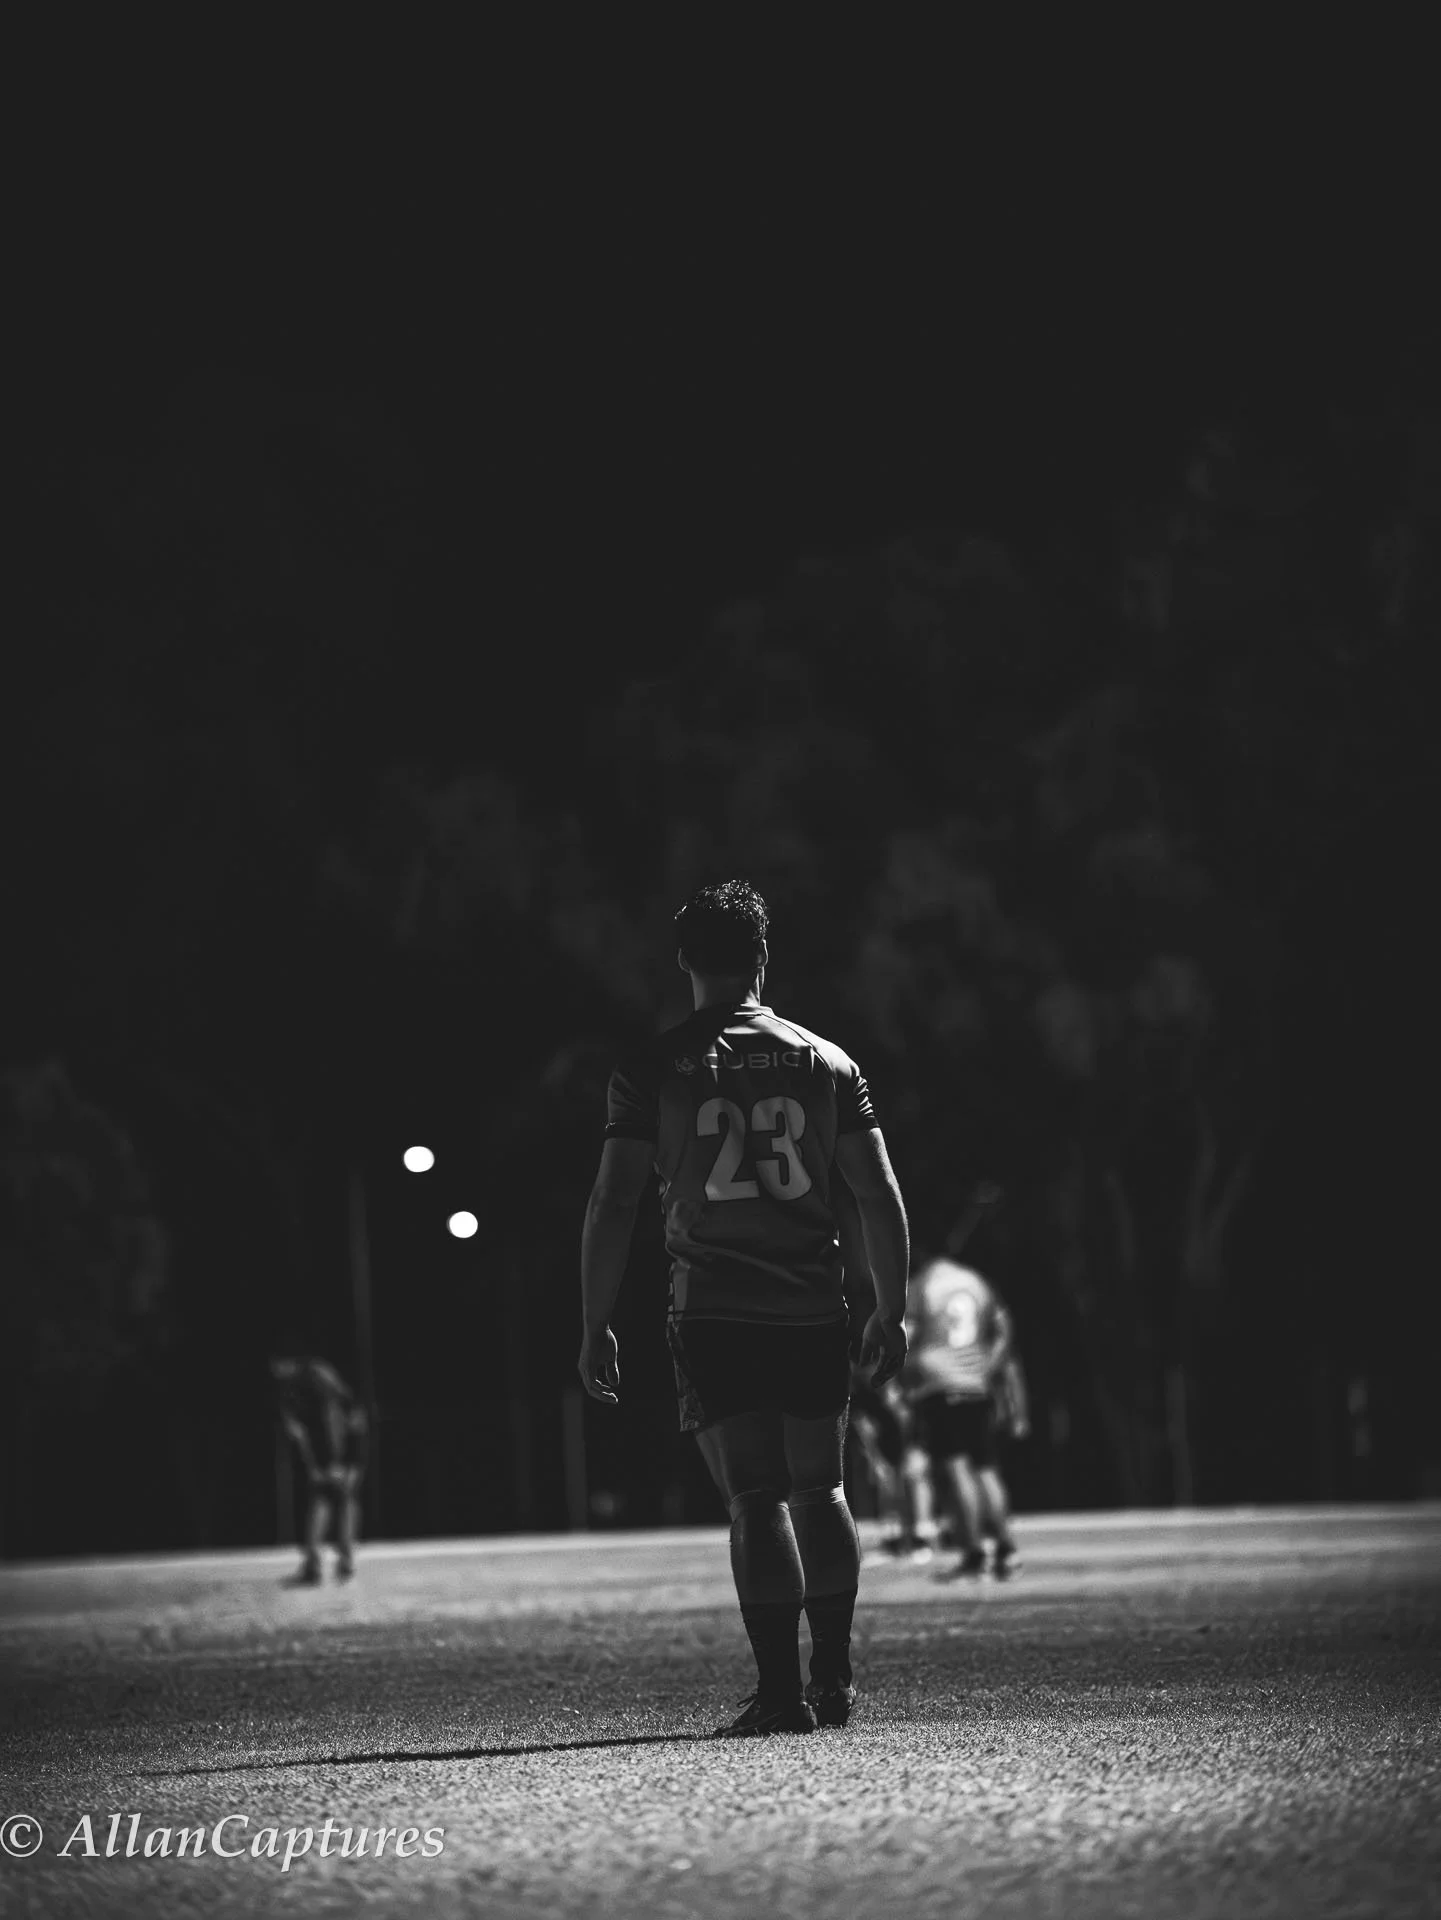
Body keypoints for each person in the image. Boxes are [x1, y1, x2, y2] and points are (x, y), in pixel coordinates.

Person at [578, 880, 910, 1736]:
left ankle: (777, 1695)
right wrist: (888, 1306)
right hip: (809, 1301)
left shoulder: (651, 1068)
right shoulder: (825, 1060)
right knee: (822, 1486)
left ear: (685, 960)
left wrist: (592, 1320)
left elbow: (614, 1204)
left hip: (713, 1306)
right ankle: (832, 1678)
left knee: (755, 1497)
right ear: (763, 957)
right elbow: (876, 1193)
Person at [900, 1257, 1021, 1578]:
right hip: (977, 1386)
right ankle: (1006, 1548)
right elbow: (1003, 1329)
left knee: (956, 1466)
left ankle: (975, 1551)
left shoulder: (922, 1285)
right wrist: (987, 1367)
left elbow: (907, 1335)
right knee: (986, 1466)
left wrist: (902, 1369)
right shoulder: (976, 1281)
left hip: (941, 1387)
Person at [269, 1354, 369, 1585]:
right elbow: (308, 1436)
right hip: (332, 1463)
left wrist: (348, 1465)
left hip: (336, 1463)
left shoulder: (337, 1403)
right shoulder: (318, 1404)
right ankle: (326, 1562)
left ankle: (336, 1562)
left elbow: (353, 1434)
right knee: (329, 1505)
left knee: (335, 1505)